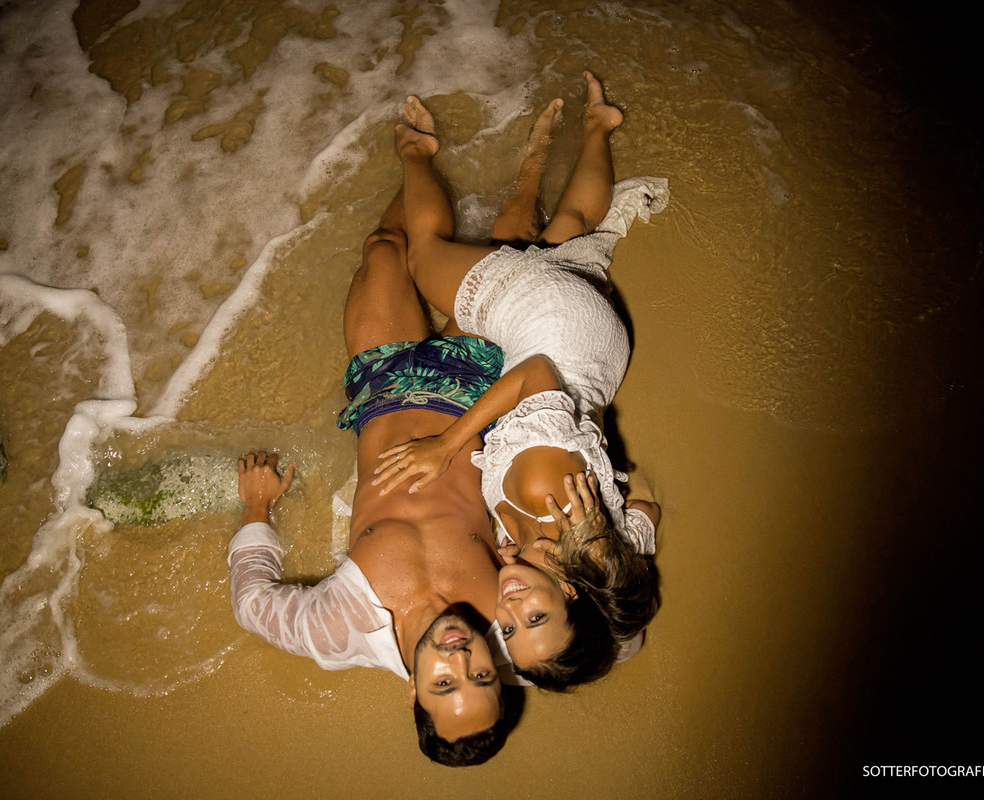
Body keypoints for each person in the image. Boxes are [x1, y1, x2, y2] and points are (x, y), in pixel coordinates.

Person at [370, 73, 666, 689]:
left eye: (509, 630)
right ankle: (415, 151)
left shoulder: (597, 548)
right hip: (551, 333)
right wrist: (445, 445)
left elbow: (646, 510)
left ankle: (599, 125)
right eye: (534, 615)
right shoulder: (544, 494)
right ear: (569, 591)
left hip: (597, 355)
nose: (505, 611)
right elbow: (532, 376)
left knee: (575, 224)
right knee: (425, 256)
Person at [227, 177, 523, 766]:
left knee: (385, 246)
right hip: (475, 394)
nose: (461, 659)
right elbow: (618, 641)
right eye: (481, 680)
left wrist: (258, 509)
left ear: (413, 691)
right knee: (511, 253)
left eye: (444, 684)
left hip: (383, 389)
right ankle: (529, 152)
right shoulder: (514, 633)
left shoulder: (343, 630)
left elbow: (251, 604)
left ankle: (416, 152)